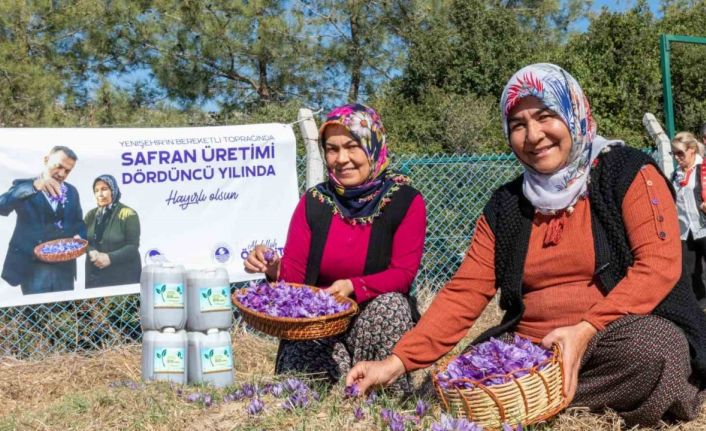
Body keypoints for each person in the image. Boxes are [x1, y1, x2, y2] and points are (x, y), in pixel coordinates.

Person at [346, 64, 706, 427]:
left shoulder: (626, 171)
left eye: (546, 116)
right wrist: (397, 362)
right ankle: (531, 393)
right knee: (452, 381)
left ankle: (517, 401)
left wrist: (585, 330)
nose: (533, 135)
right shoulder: (507, 205)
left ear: (575, 113)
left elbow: (658, 265)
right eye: (518, 125)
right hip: (531, 352)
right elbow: (465, 290)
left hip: (608, 338)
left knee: (655, 351)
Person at [244, 103, 426, 391]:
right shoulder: (314, 203)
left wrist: (352, 286)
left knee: (391, 304)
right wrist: (273, 268)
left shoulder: (404, 201)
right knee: (301, 390)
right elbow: (294, 278)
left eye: (352, 146)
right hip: (319, 328)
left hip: (372, 322)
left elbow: (402, 274)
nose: (342, 159)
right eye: (332, 149)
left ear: (373, 145)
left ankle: (385, 391)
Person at [0, 146, 86, 294]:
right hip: (32, 267)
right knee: (36, 314)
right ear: (46, 160)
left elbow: (79, 222)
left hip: (64, 268)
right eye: (59, 166)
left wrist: (80, 236)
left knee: (63, 314)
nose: (61, 174)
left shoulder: (72, 192)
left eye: (67, 171)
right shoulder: (25, 187)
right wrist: (34, 186)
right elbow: (2, 206)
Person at [84, 174, 141, 288]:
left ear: (113, 190)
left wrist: (109, 258)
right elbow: (83, 240)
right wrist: (91, 251)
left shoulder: (128, 214)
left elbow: (132, 247)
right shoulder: (91, 215)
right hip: (95, 277)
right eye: (96, 190)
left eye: (104, 189)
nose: (100, 194)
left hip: (123, 277)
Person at [670, 132, 706, 302]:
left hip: (703, 227)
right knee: (690, 273)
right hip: (685, 232)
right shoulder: (675, 175)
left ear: (692, 150)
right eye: (674, 153)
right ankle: (700, 308)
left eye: (680, 153)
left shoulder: (703, 168)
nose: (677, 158)